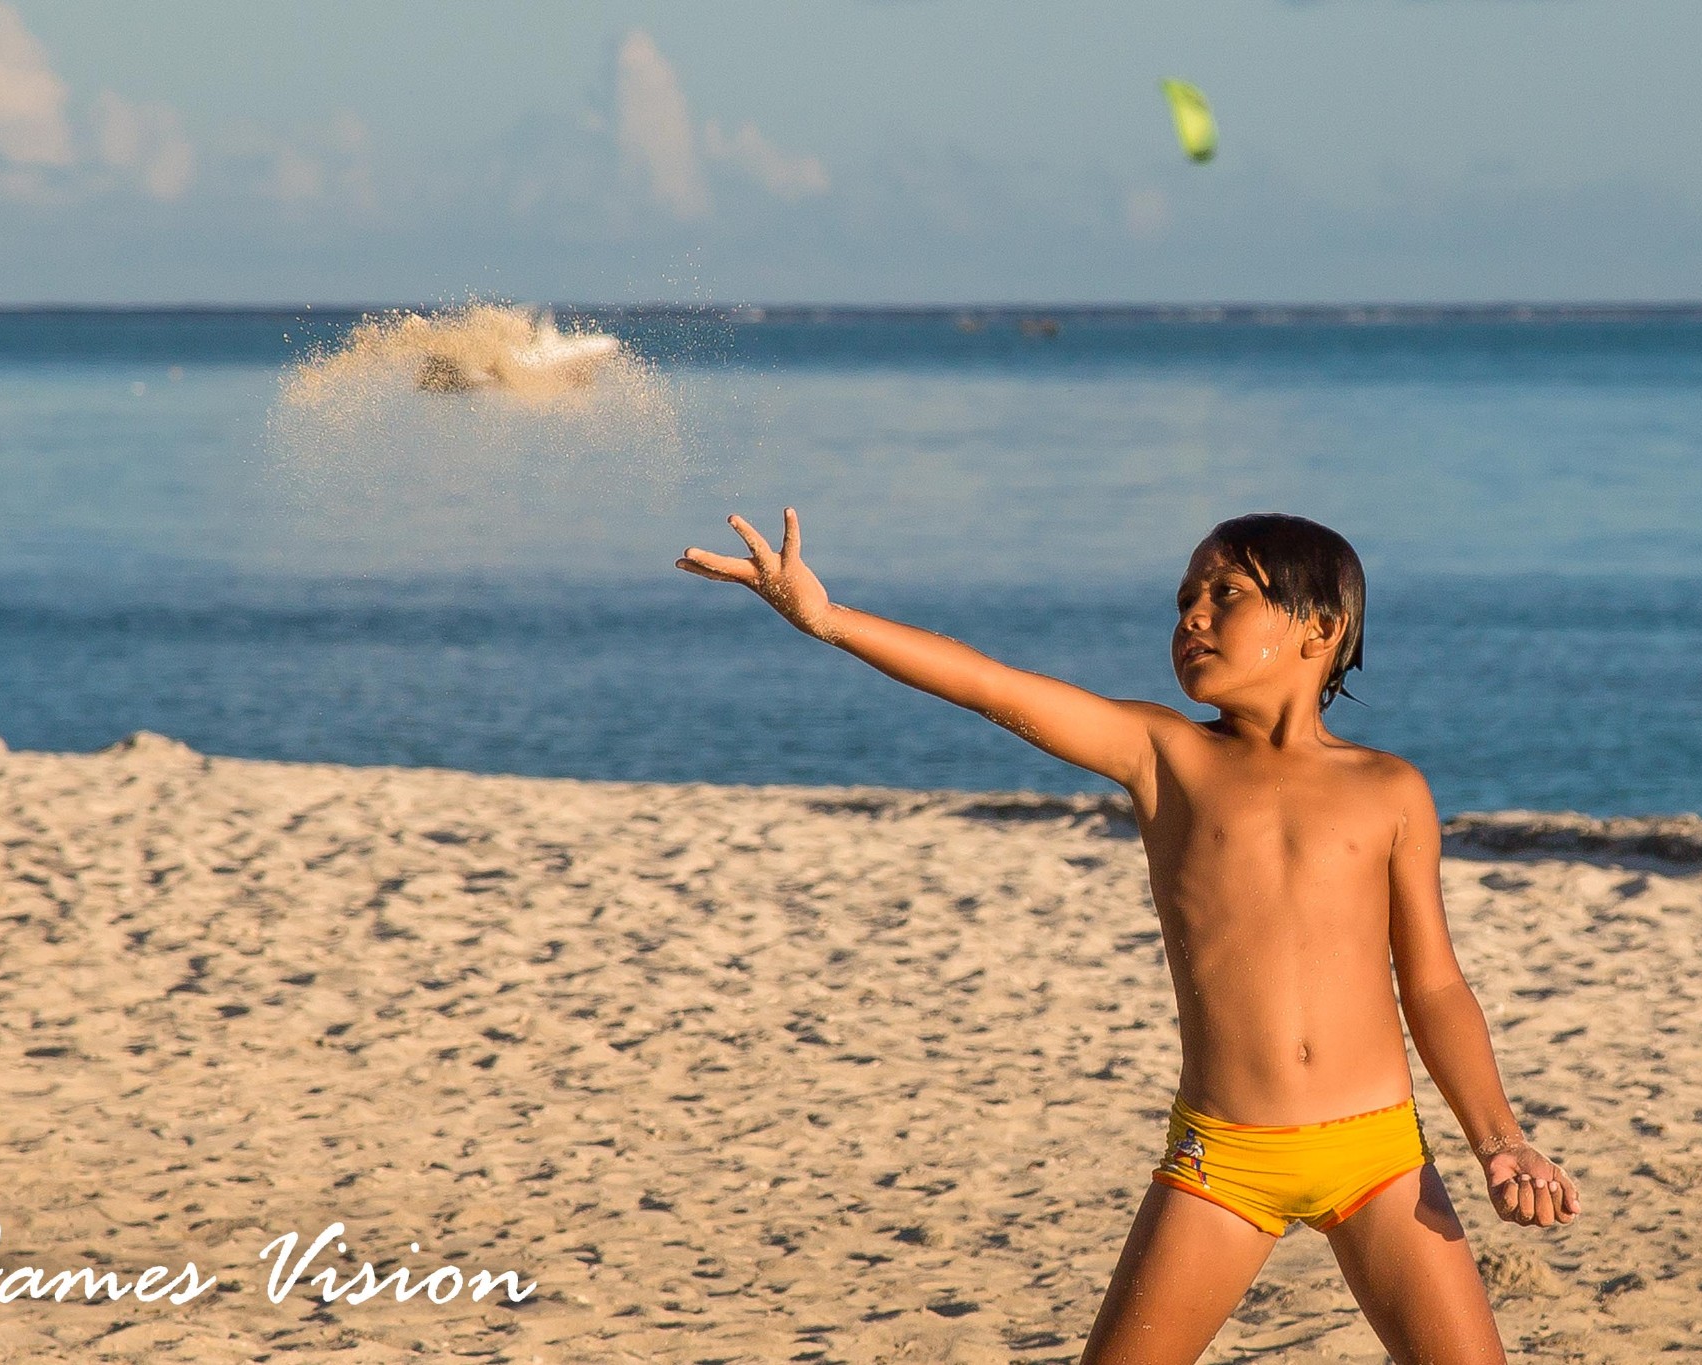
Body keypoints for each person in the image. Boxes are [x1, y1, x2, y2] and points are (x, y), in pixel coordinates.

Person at [677, 508, 1581, 1364]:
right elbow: (991, 684)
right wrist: (830, 618)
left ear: (1321, 627)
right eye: (1185, 597)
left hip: (1379, 1153)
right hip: (1225, 1159)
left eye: (1227, 593)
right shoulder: (1165, 753)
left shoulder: (1391, 789)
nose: (1192, 614)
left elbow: (1432, 987)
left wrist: (1499, 1140)